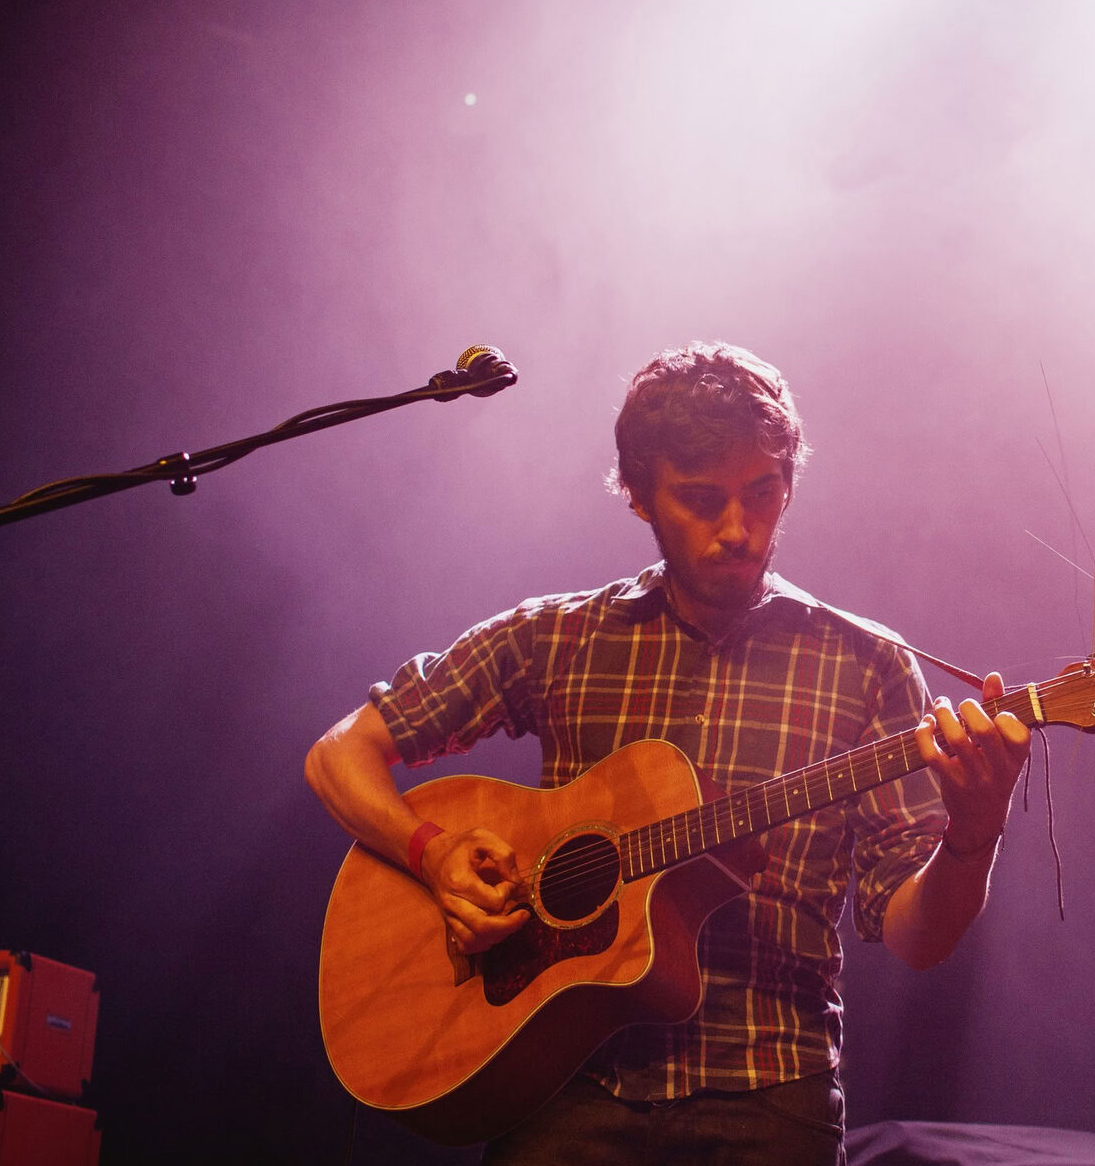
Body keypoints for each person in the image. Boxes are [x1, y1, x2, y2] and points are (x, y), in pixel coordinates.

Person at [305, 341, 1030, 1165]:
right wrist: (431, 854)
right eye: (700, 499)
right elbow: (340, 755)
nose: (738, 529)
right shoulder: (556, 636)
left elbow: (916, 939)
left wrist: (973, 834)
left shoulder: (867, 664)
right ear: (640, 498)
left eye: (764, 494)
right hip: (566, 1086)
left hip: (768, 1094)